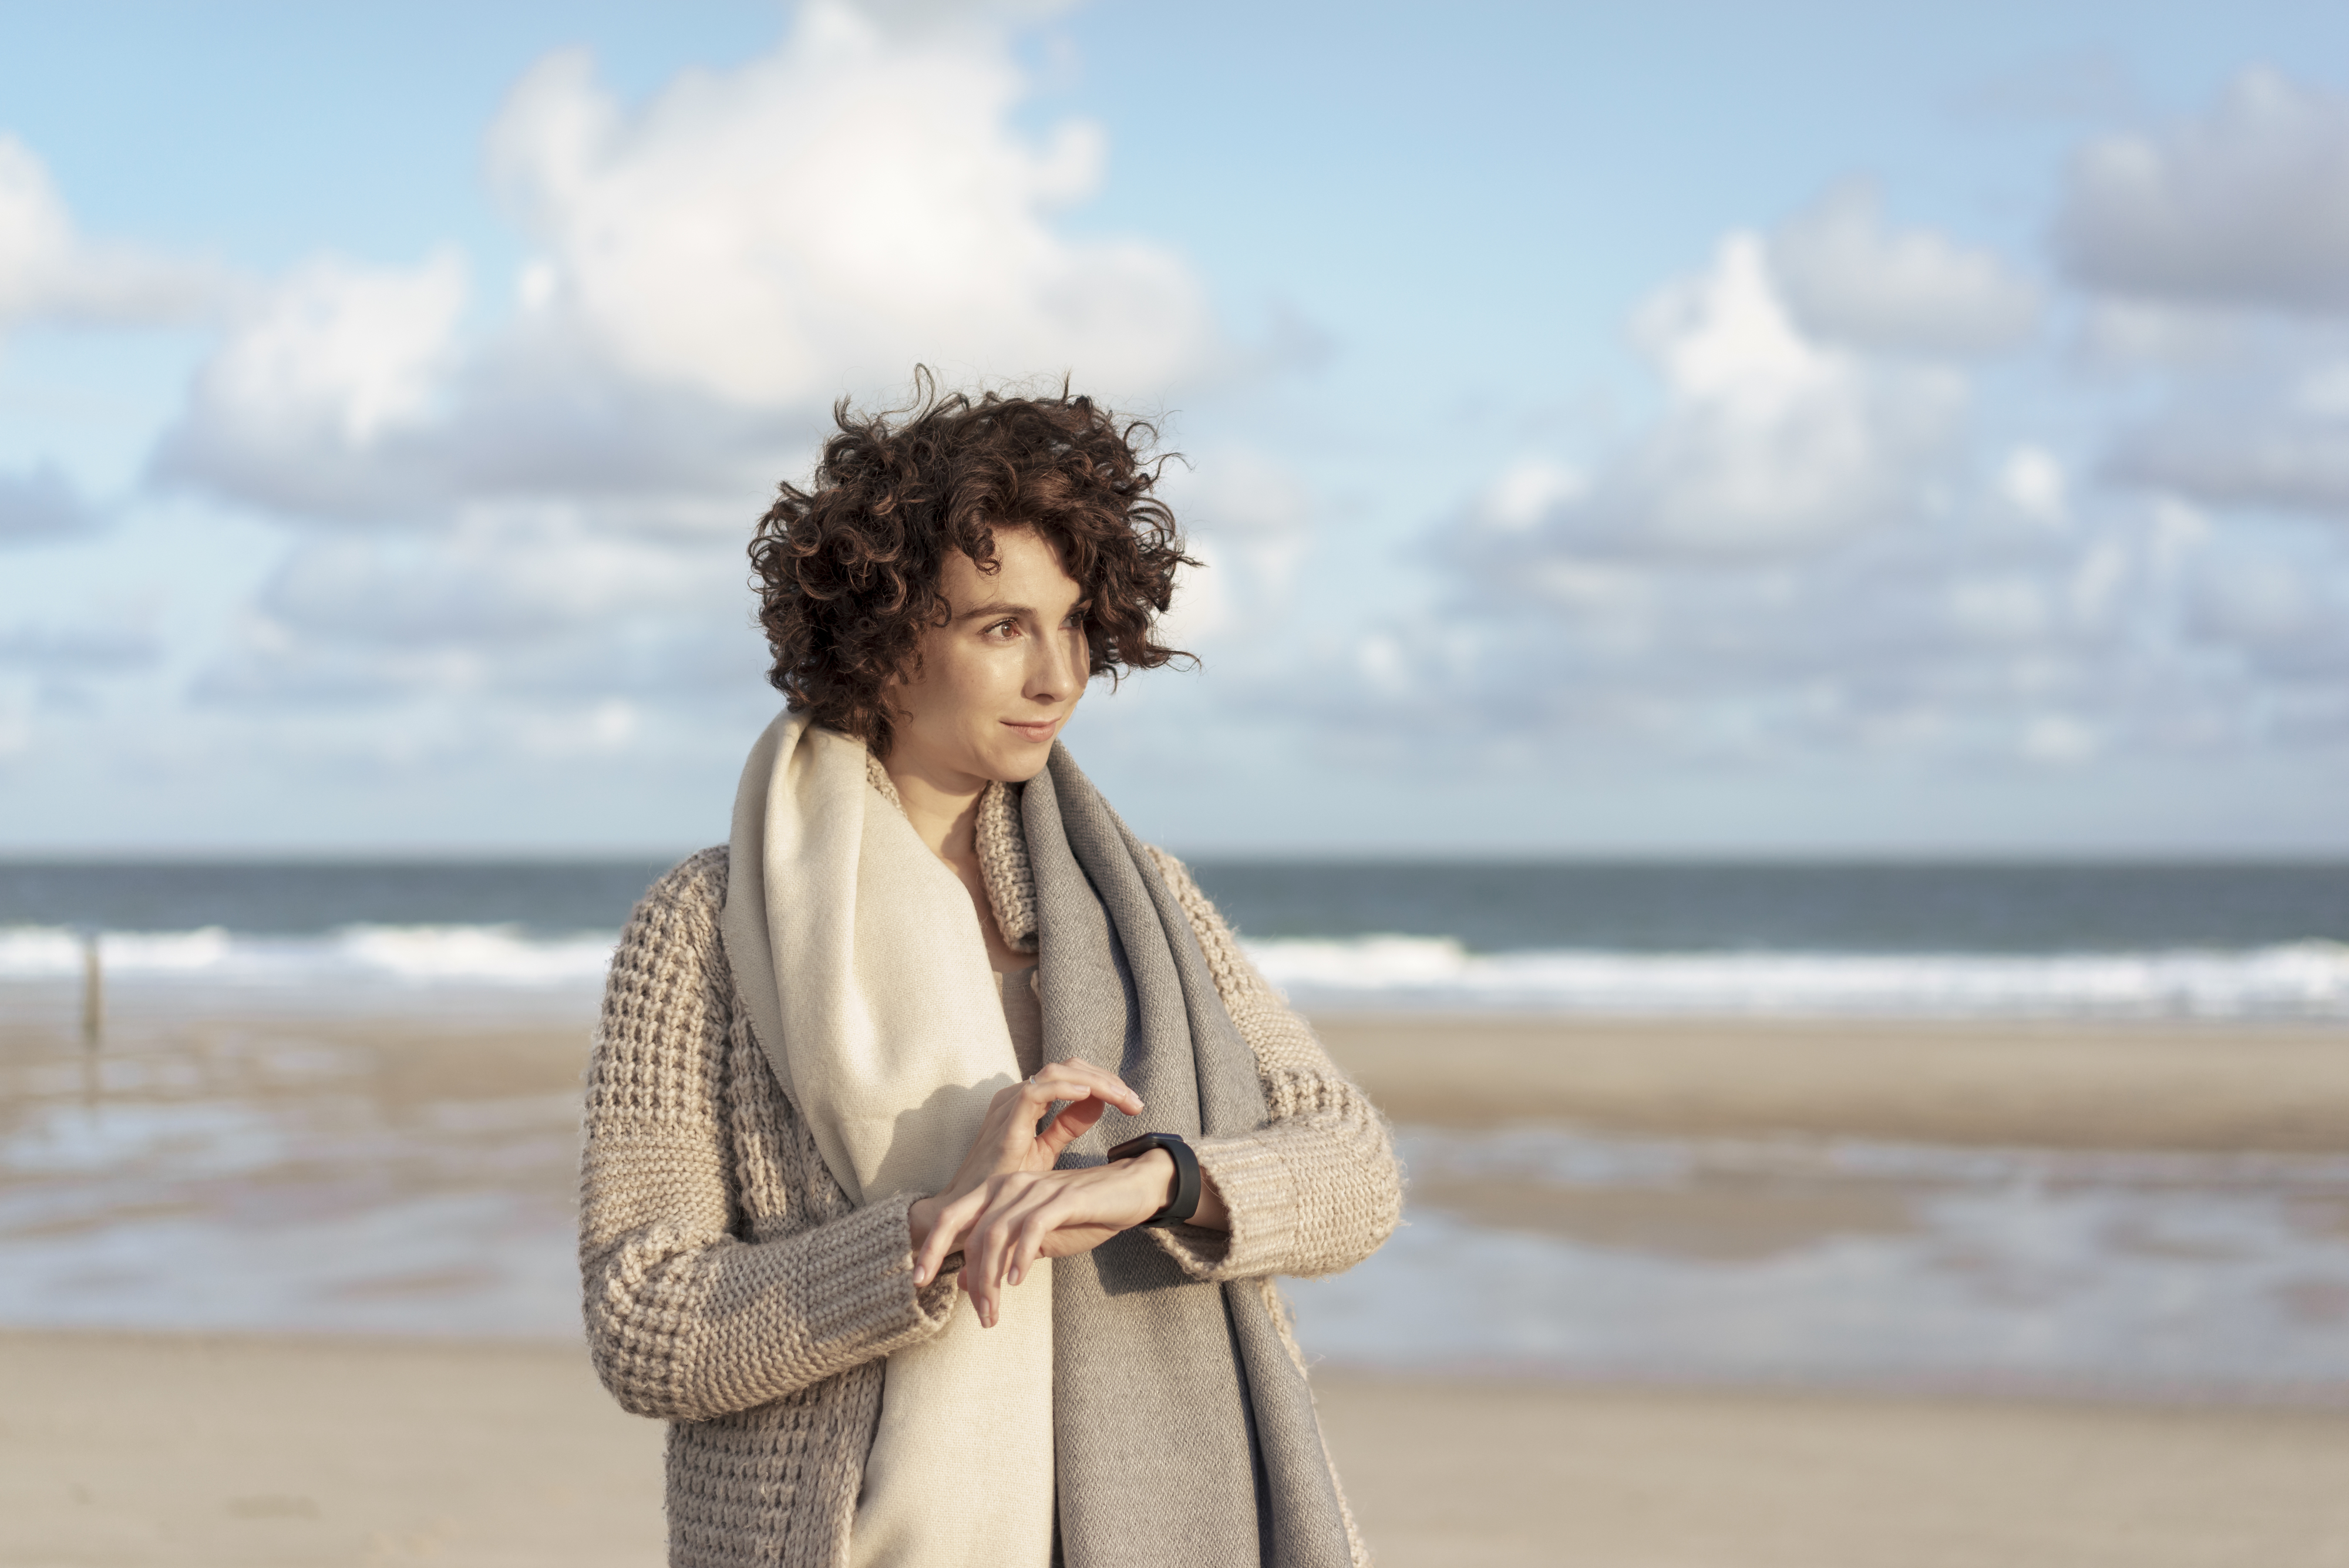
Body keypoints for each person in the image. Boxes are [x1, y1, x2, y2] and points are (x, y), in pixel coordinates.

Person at [578, 379, 1402, 1568]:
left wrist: (1145, 1186)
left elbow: (1353, 1170)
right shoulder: (705, 925)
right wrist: (931, 1231)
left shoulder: (1140, 903)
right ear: (881, 636)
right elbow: (644, 1326)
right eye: (1000, 627)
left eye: (1074, 624)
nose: (1057, 678)